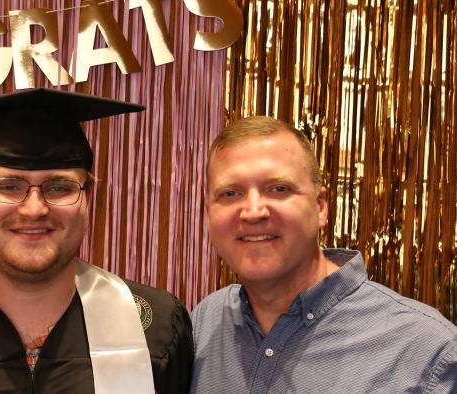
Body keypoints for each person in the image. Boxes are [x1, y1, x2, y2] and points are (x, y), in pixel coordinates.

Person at [0, 88, 194, 394]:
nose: (34, 209)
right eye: (9, 186)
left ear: (89, 198)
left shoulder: (157, 332)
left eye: (59, 187)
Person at [190, 116, 457, 393]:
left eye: (279, 189)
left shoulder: (428, 354)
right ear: (209, 213)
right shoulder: (205, 324)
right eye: (231, 193)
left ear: (320, 208)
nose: (254, 211)